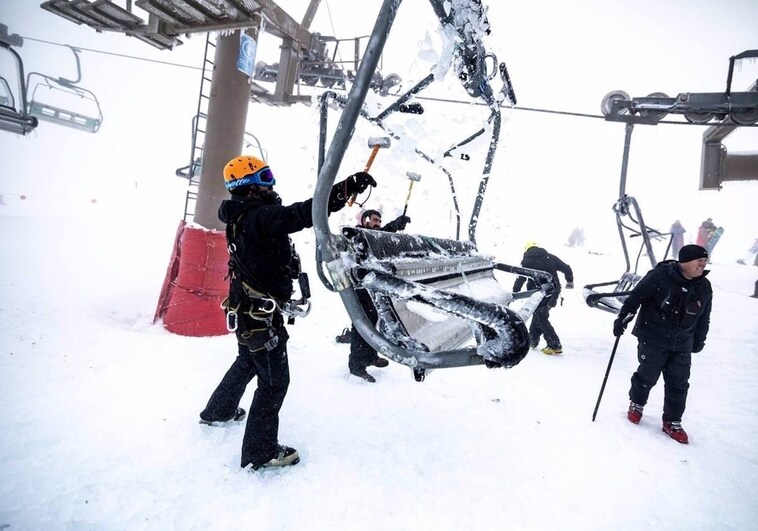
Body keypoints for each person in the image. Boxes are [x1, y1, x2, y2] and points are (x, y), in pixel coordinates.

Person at [199, 155, 376, 471]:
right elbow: (301, 214)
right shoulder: (258, 217)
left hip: (247, 313)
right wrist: (344, 189)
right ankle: (260, 452)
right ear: (250, 186)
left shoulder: (242, 217)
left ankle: (219, 410)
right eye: (265, 178)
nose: (271, 184)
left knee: (246, 362)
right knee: (274, 383)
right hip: (259, 319)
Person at [613, 244, 712, 444]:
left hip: (682, 342)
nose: (703, 264)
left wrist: (699, 339)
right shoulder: (660, 276)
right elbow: (636, 297)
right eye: (699, 260)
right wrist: (623, 317)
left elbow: (704, 316)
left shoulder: (704, 286)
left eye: (705, 261)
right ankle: (637, 403)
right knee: (647, 375)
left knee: (679, 383)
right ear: (685, 261)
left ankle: (672, 421)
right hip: (653, 336)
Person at [348, 208, 411, 382]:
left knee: (373, 319)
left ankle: (369, 356)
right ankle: (356, 366)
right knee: (361, 322)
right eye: (375, 220)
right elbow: (372, 237)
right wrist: (393, 226)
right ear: (365, 220)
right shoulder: (357, 234)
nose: (377, 223)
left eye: (380, 221)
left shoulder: (373, 237)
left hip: (371, 284)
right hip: (359, 285)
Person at [512, 242, 574, 355]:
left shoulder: (526, 261)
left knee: (540, 316)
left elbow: (520, 278)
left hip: (539, 293)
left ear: (526, 250)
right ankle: (533, 340)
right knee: (539, 314)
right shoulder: (550, 257)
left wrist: (515, 292)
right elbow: (566, 268)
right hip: (554, 291)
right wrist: (569, 281)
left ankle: (554, 345)